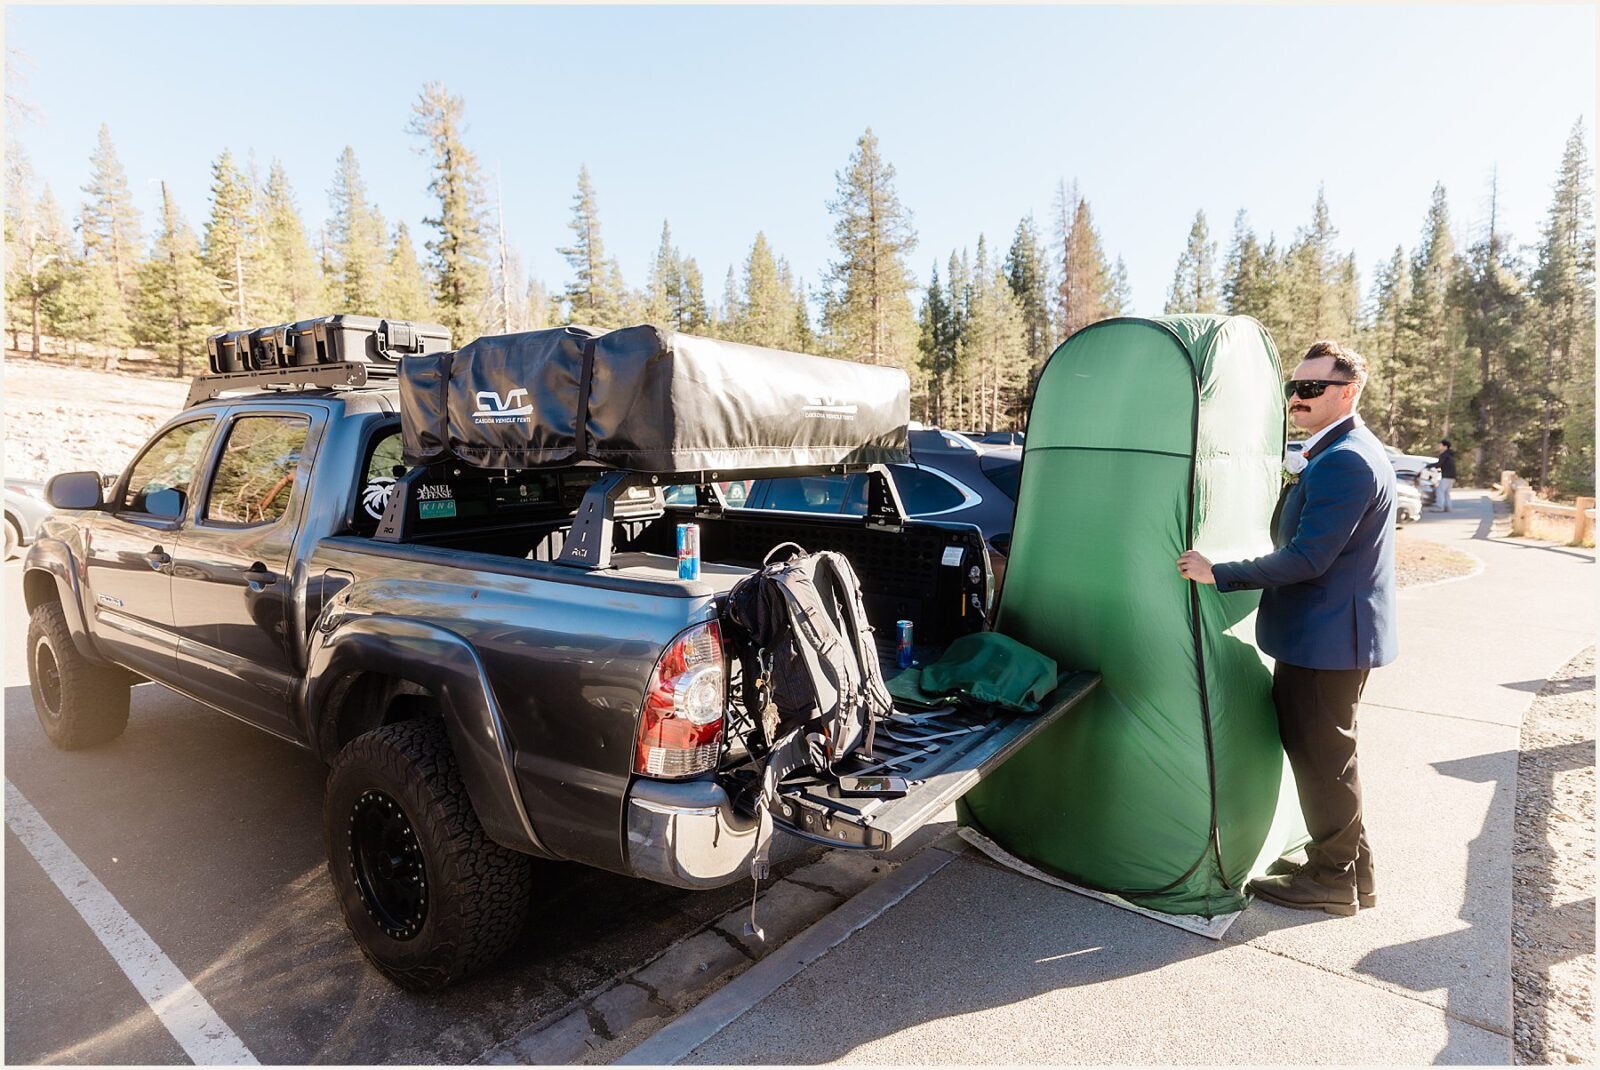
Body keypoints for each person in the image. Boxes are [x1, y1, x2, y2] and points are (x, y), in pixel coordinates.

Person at [1175, 340, 1397, 916]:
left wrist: (1219, 572)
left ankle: (1332, 879)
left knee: (1324, 761)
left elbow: (1307, 558)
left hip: (1328, 640)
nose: (1297, 397)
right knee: (1329, 758)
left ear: (1347, 392)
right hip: (1329, 634)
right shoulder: (1339, 450)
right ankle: (1352, 873)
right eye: (1294, 387)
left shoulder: (1347, 459)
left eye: (1311, 388)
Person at [1431, 439, 1456, 512]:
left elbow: (1439, 464)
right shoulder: (1451, 455)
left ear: (1445, 447)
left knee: (1440, 491)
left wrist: (1429, 465)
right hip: (1452, 476)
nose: (1439, 447)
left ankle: (1440, 507)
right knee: (1447, 492)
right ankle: (1448, 507)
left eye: (1441, 445)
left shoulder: (1444, 455)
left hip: (1446, 476)